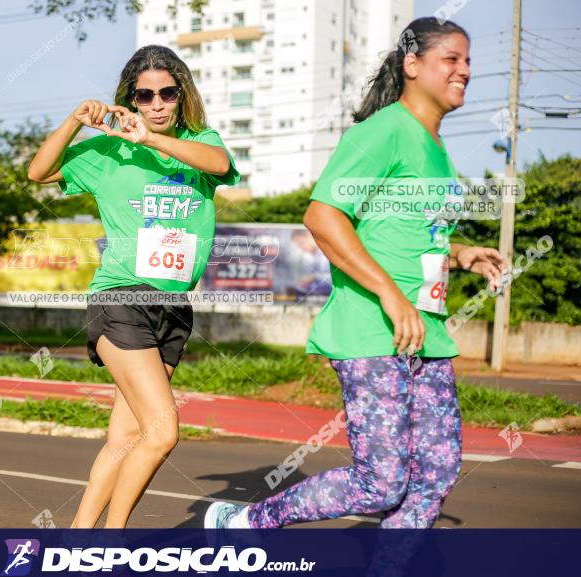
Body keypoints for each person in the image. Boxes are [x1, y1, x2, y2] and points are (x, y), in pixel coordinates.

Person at [206, 17, 506, 530]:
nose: (465, 71)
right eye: (451, 59)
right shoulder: (384, 130)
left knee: (435, 473)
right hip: (373, 329)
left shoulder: (433, 149)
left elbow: (405, 233)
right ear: (413, 65)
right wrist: (391, 296)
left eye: (468, 61)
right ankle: (245, 523)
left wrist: (460, 254)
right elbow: (323, 217)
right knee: (382, 482)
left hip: (426, 331)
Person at [28, 45, 239, 528]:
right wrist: (74, 121)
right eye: (145, 96)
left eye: (168, 93)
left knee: (125, 437)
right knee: (162, 433)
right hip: (123, 297)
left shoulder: (199, 142)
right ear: (132, 99)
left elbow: (220, 165)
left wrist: (152, 140)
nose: (158, 104)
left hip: (174, 307)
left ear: (181, 94)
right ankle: (110, 543)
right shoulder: (106, 152)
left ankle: (79, 539)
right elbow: (37, 172)